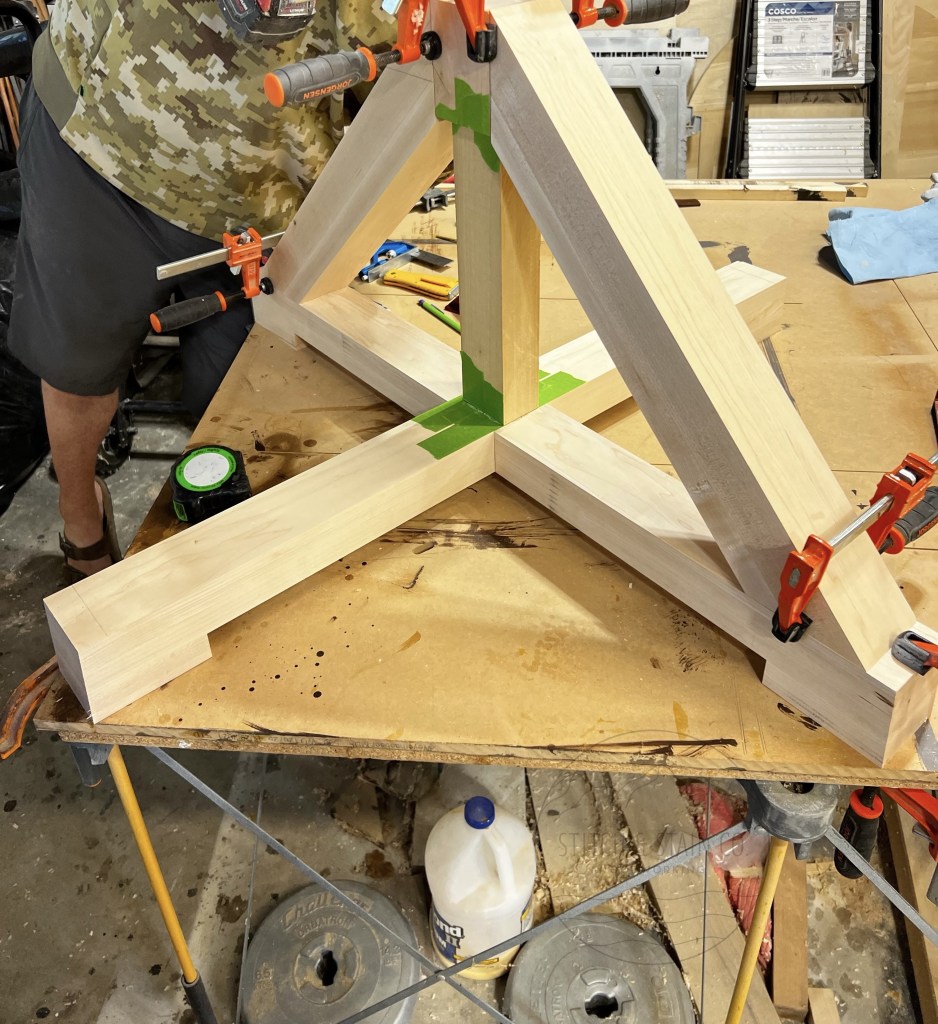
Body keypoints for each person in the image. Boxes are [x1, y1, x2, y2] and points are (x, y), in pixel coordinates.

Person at [8, 0, 394, 577]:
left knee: (240, 401)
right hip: (106, 127)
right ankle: (81, 515)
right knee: (78, 364)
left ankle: (224, 555)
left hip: (275, 183)